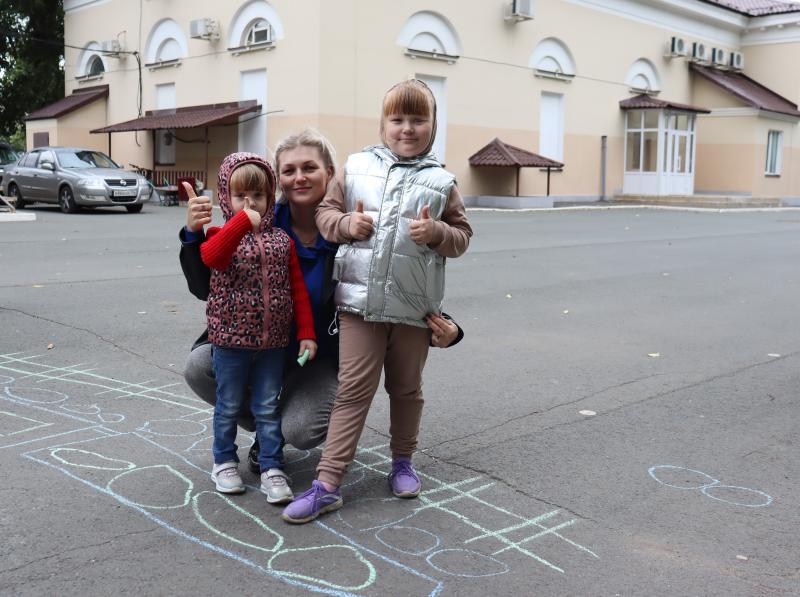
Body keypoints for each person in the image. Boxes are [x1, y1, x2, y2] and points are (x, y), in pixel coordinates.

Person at [178, 130, 464, 472]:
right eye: (289, 170)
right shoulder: (258, 219)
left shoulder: (353, 227)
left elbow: (389, 282)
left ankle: (279, 434)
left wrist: (449, 327)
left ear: (330, 173)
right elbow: (205, 287)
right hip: (252, 345)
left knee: (303, 427)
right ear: (277, 180)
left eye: (309, 168)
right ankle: (266, 431)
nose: (299, 177)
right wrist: (192, 236)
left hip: (314, 357)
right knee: (199, 367)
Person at [282, 79, 473, 524]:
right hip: (359, 306)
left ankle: (402, 463)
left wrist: (438, 234)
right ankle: (328, 484)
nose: (407, 128)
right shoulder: (355, 167)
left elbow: (462, 237)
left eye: (417, 119)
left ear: (433, 125)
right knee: (353, 392)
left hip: (413, 311)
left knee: (406, 390)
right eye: (397, 119)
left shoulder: (442, 181)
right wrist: (347, 223)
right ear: (383, 123)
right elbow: (326, 215)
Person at [194, 151, 317, 504]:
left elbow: (298, 291)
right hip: (230, 342)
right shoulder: (222, 234)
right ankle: (224, 461)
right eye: (240, 196)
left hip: (273, 343)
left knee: (267, 405)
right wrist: (239, 224)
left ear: (270, 198)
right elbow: (211, 257)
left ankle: (272, 466)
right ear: (225, 198)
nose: (250, 203)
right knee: (229, 404)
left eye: (258, 196)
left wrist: (306, 333)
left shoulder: (282, 241)